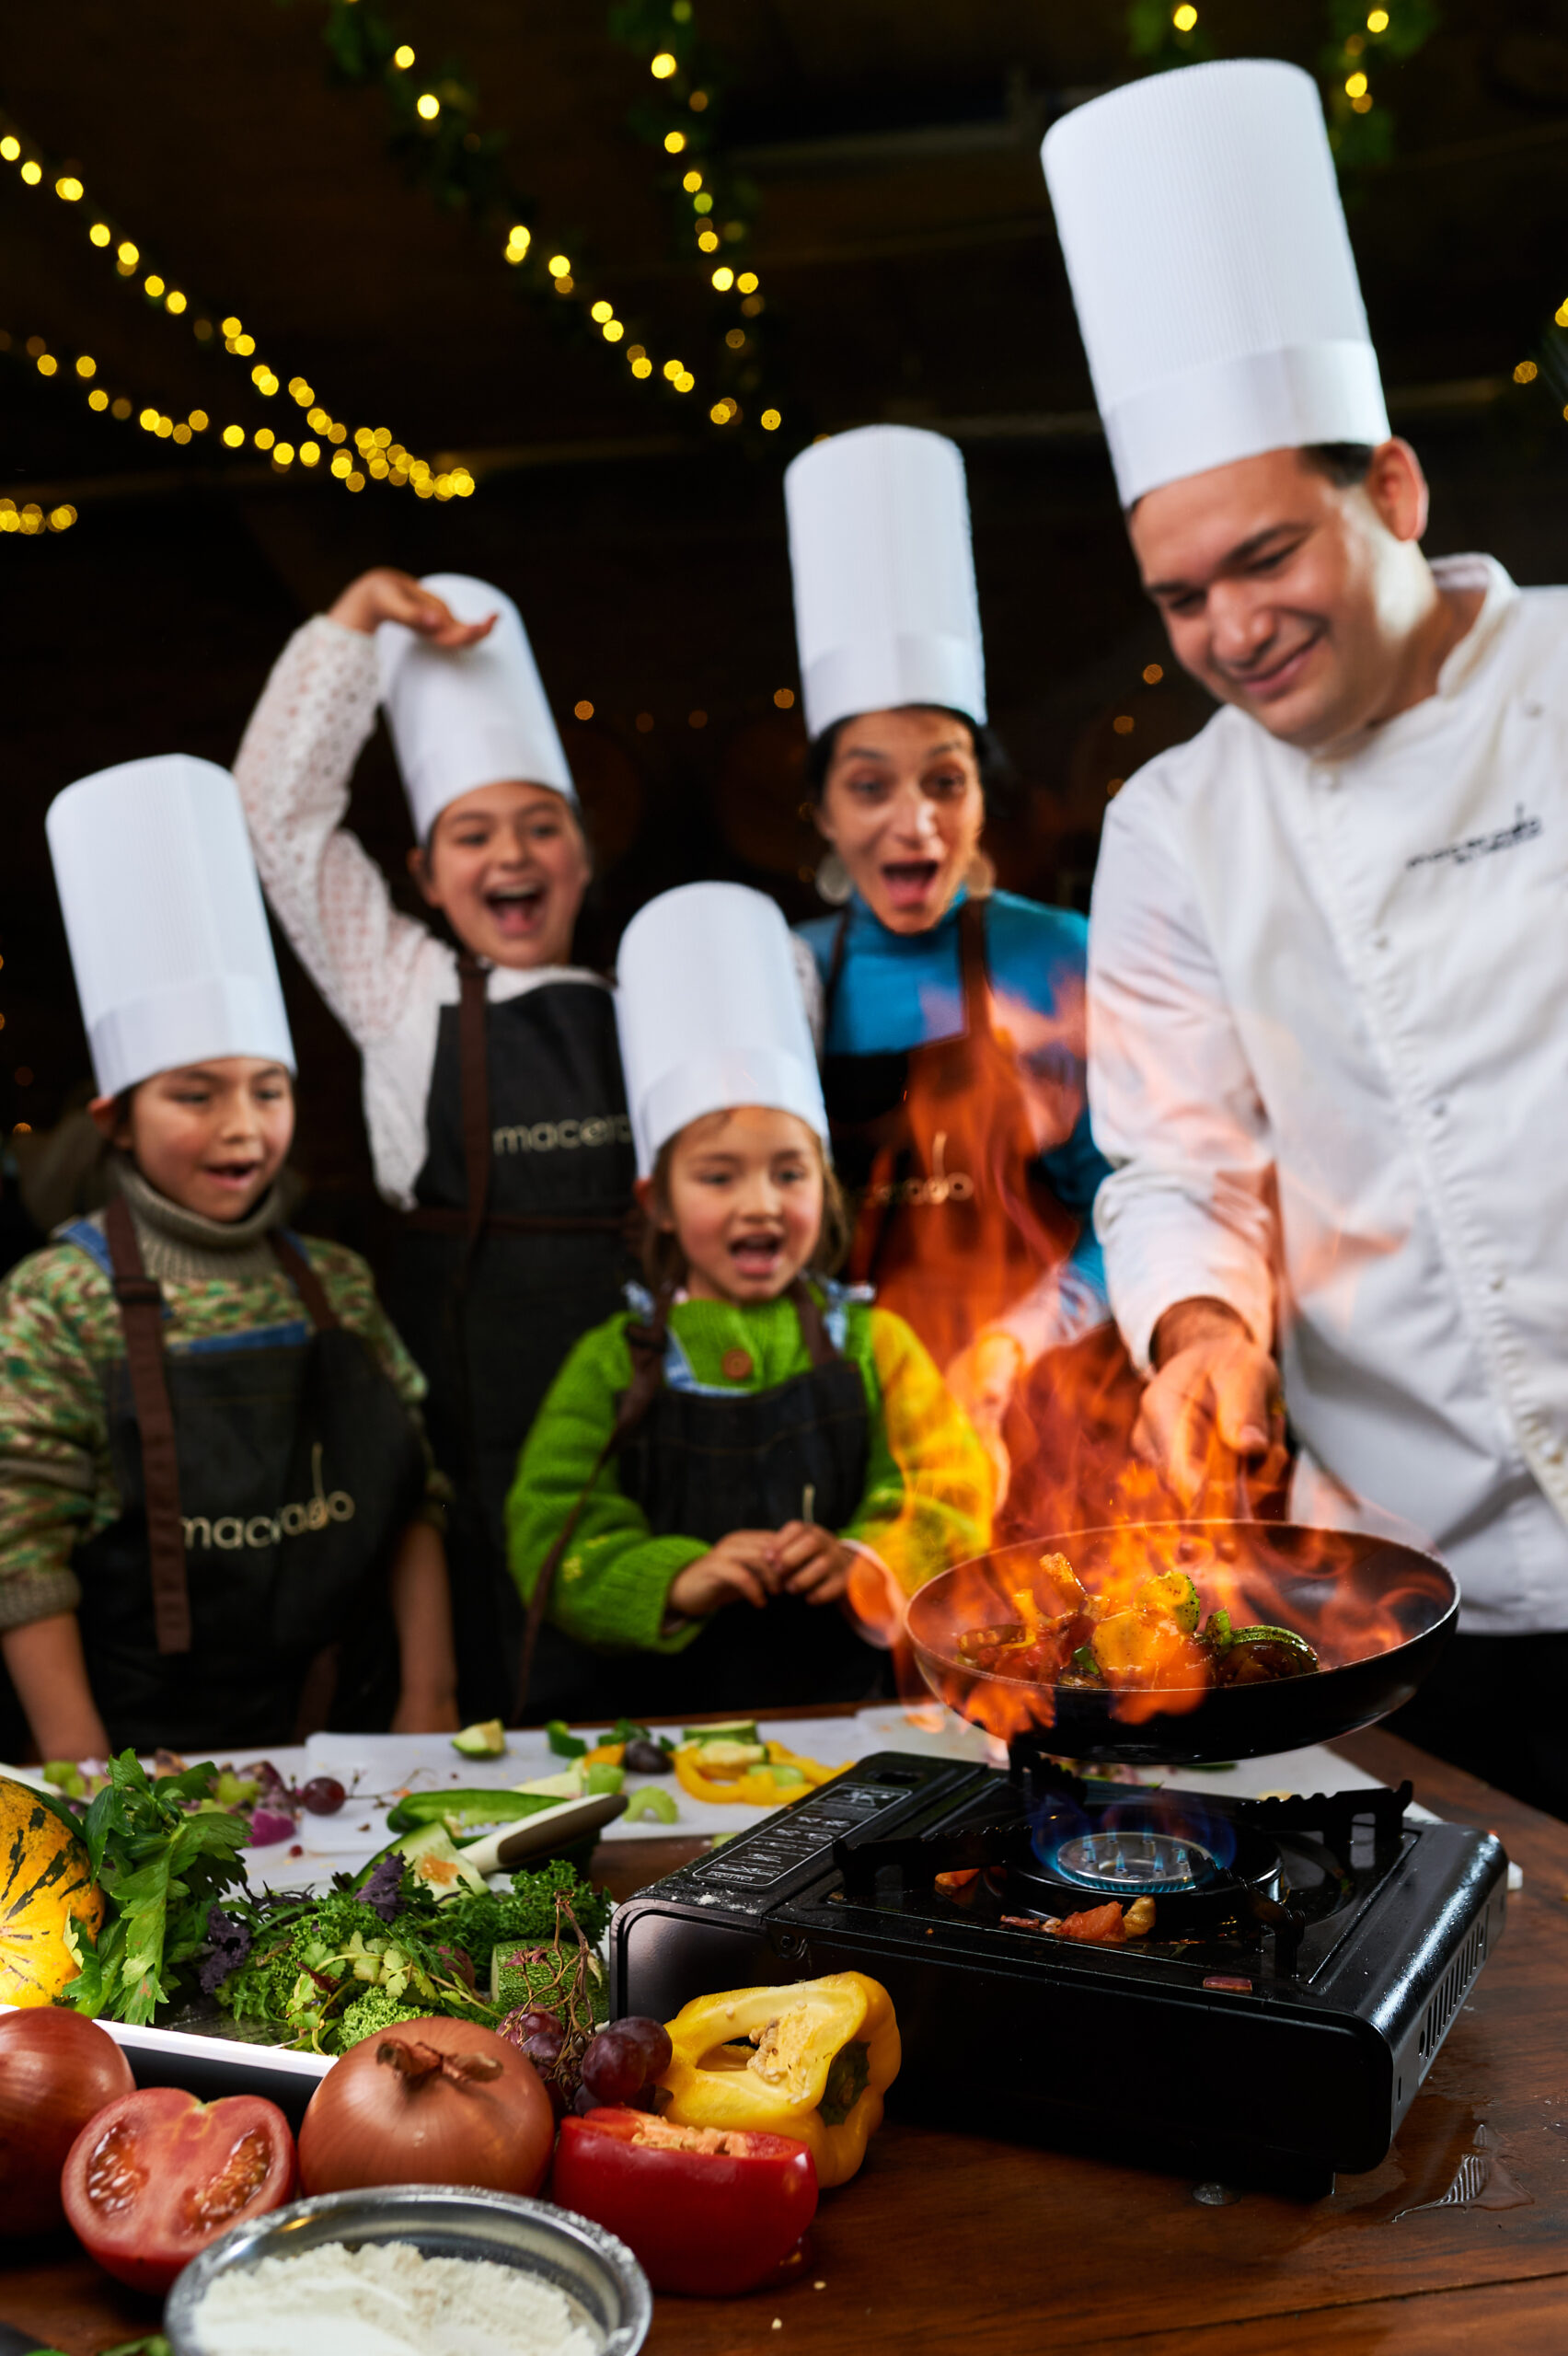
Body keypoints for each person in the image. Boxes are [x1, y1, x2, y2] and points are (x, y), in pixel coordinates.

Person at [1043, 59, 1568, 1809]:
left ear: (1394, 493)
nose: (1226, 629)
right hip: (1413, 1598)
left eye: (1263, 557)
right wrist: (1198, 1336)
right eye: (1177, 595)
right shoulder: (1172, 827)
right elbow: (1178, 1161)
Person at [234, 569, 635, 1724]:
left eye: (539, 824)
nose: (509, 855)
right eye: (472, 833)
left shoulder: (651, 992)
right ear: (423, 874)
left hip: (634, 1456)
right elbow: (279, 812)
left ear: (582, 852)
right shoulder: (398, 986)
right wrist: (358, 620)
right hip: (467, 1454)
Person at [0, 756, 457, 1761]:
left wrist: (429, 1704)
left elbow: (414, 1492)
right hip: (138, 1753)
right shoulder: (56, 1298)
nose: (243, 1128)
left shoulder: (333, 1281)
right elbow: (19, 1554)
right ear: (116, 1121)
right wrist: (84, 1777)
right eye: (195, 1095)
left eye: (268, 1089)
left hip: (346, 1738)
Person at [506, 883, 992, 1715]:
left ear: (825, 1187)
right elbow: (552, 1531)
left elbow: (952, 1495)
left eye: (789, 1172)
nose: (760, 1203)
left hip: (852, 1726)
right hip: (665, 1740)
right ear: (656, 1198)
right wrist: (677, 1578)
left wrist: (867, 1559)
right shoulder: (611, 1361)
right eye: (718, 1176)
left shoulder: (880, 1344)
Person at [786, 425, 1118, 1519]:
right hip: (846, 1418)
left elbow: (1129, 1202)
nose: (913, 822)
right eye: (871, 786)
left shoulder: (1058, 953)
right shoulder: (787, 975)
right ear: (824, 810)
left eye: (945, 779)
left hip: (1049, 1408)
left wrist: (1018, 1343)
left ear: (982, 794)